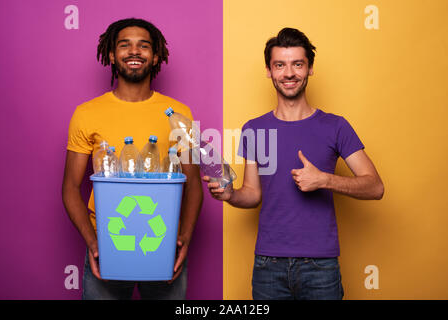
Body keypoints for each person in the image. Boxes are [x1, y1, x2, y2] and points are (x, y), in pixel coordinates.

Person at [204, 28, 384, 300]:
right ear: (269, 70)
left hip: (321, 266)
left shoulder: (335, 126)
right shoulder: (254, 129)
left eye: (297, 64)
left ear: (310, 69)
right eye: (280, 65)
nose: (289, 73)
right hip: (268, 266)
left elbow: (375, 187)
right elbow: (252, 194)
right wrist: (230, 195)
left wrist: (324, 180)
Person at [62, 18, 203, 300]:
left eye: (144, 46)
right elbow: (70, 188)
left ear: (156, 55)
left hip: (163, 245)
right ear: (112, 55)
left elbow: (194, 185)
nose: (135, 52)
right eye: (125, 45)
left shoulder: (179, 113)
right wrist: (93, 243)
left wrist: (185, 238)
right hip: (107, 245)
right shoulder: (87, 114)